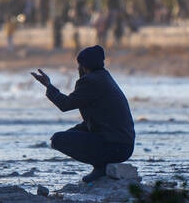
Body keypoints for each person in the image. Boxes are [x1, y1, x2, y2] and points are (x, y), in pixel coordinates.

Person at [31, 45, 135, 183]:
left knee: (58, 140)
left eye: (79, 65)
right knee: (68, 136)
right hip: (124, 145)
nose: (78, 68)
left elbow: (65, 104)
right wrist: (72, 132)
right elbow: (97, 120)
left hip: (114, 146)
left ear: (84, 66)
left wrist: (49, 86)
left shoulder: (90, 81)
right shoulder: (104, 78)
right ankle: (100, 167)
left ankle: (101, 167)